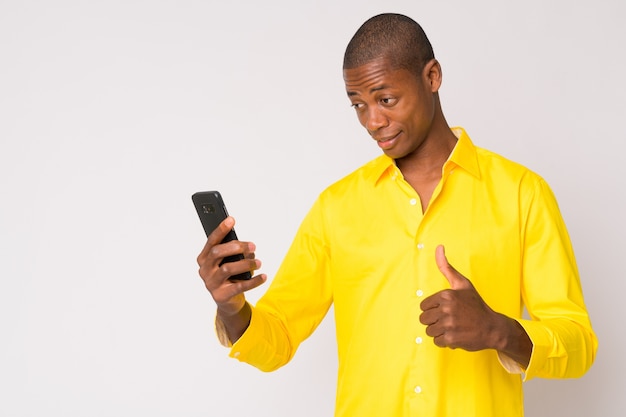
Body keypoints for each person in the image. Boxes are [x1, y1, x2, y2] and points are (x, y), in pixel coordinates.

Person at [197, 13, 597, 417]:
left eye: (386, 99)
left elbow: (578, 344)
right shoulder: (337, 207)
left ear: (432, 77)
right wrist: (232, 309)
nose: (373, 122)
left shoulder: (522, 194)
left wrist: (498, 330)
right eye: (358, 105)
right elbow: (277, 340)